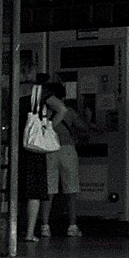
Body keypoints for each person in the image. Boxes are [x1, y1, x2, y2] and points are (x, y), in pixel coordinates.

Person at [41, 80, 89, 238]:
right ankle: (72, 225)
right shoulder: (68, 111)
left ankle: (45, 226)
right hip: (67, 150)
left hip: (49, 150)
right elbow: (83, 127)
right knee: (71, 189)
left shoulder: (44, 111)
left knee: (49, 190)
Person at [18, 75, 52, 243]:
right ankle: (30, 232)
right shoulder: (40, 93)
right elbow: (62, 109)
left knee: (17, 188)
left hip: (16, 146)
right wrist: (49, 128)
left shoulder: (10, 91)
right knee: (34, 191)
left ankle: (15, 228)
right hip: (34, 148)